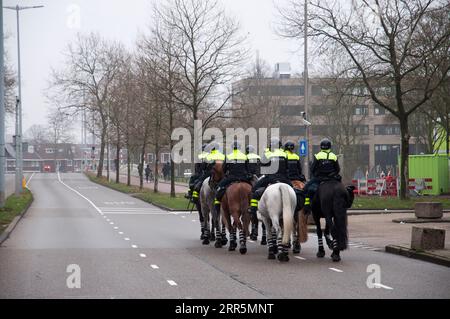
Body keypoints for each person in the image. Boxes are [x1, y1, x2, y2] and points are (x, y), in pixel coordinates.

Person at [249, 137, 292, 219]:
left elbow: (262, 167)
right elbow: (287, 168)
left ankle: (253, 209)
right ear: (279, 145)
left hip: (270, 178)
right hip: (283, 178)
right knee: (293, 190)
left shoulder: (267, 154)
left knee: (254, 189)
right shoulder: (284, 154)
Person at [303, 138, 341, 213]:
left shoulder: (318, 156)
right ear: (330, 147)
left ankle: (307, 206)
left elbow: (312, 169)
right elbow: (337, 169)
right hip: (331, 178)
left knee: (306, 188)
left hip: (319, 178)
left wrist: (315, 174)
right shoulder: (334, 156)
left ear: (321, 146)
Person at [213, 141, 252, 214]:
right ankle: (253, 207)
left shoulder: (228, 156)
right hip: (243, 178)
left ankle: (217, 205)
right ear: (240, 148)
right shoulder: (244, 156)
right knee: (253, 189)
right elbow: (248, 168)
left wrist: (226, 173)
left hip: (231, 177)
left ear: (232, 148)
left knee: (219, 188)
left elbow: (224, 169)